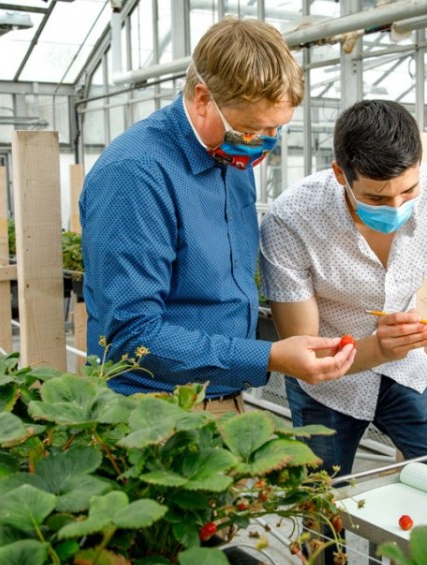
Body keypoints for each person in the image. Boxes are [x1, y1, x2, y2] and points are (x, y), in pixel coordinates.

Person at [79, 17, 356, 411]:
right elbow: (131, 336)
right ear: (202, 97)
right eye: (250, 130)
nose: (262, 146)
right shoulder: (136, 174)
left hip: (222, 396)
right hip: (152, 410)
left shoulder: (232, 162)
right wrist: (269, 356)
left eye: (275, 131)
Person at [260, 98, 427, 476]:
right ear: (339, 174)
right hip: (326, 386)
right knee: (320, 511)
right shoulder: (291, 220)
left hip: (405, 367)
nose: (396, 207)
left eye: (409, 191)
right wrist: (379, 346)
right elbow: (305, 352)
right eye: (376, 198)